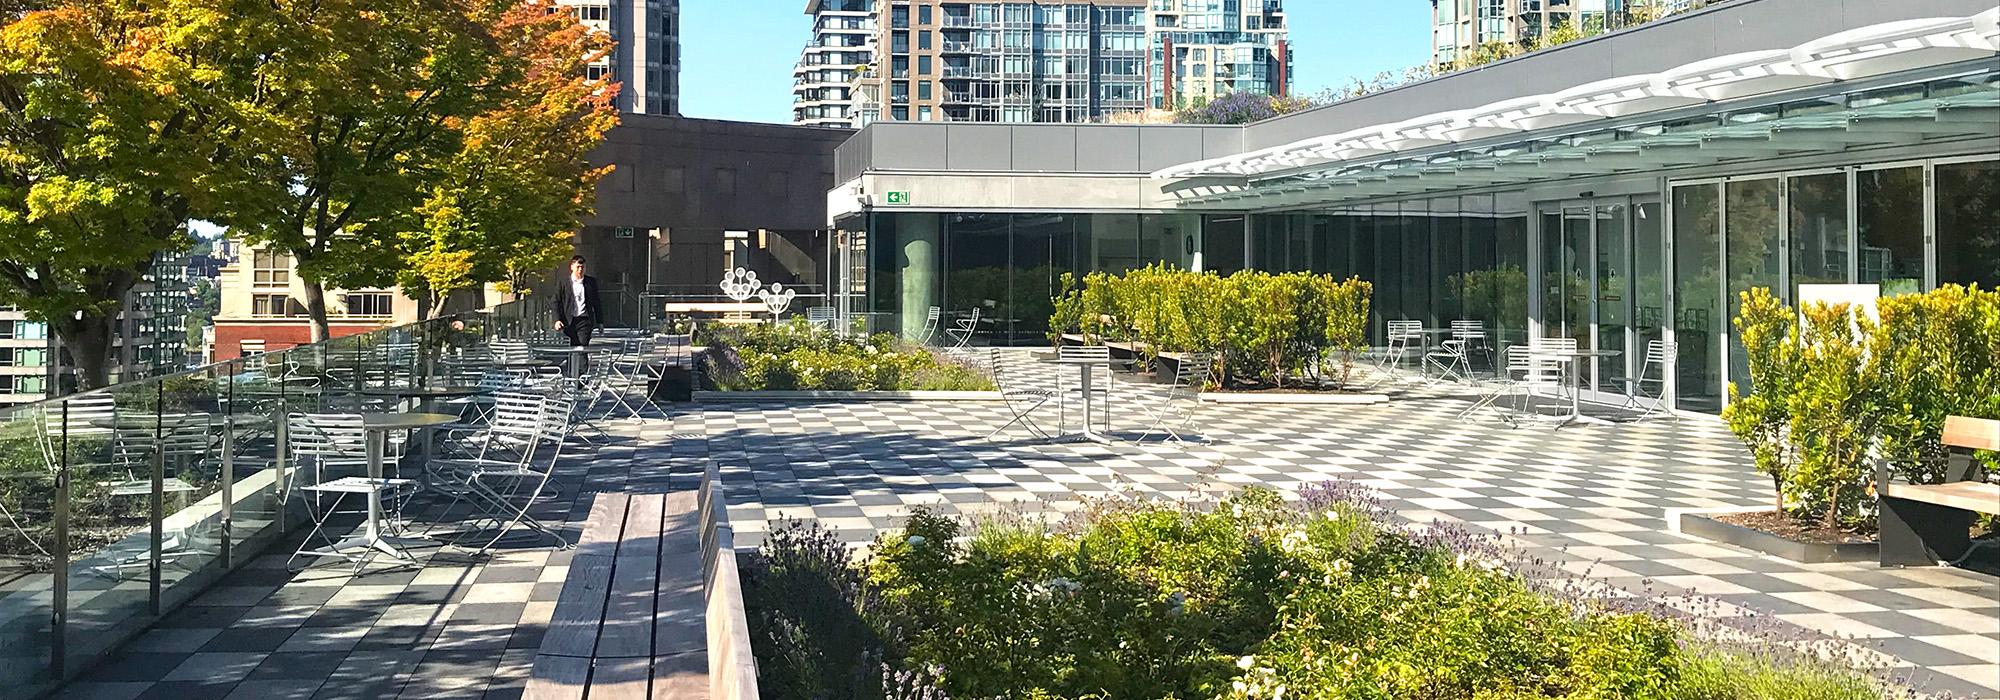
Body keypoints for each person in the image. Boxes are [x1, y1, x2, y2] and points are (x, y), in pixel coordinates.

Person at [553, 255, 602, 347]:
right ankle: (572, 362)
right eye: (578, 267)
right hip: (568, 321)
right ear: (572, 267)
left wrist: (600, 322)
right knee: (572, 348)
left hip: (584, 320)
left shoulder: (590, 282)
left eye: (582, 267)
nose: (580, 270)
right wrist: (557, 320)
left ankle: (582, 362)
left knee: (582, 347)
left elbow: (596, 302)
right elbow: (556, 301)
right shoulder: (563, 283)